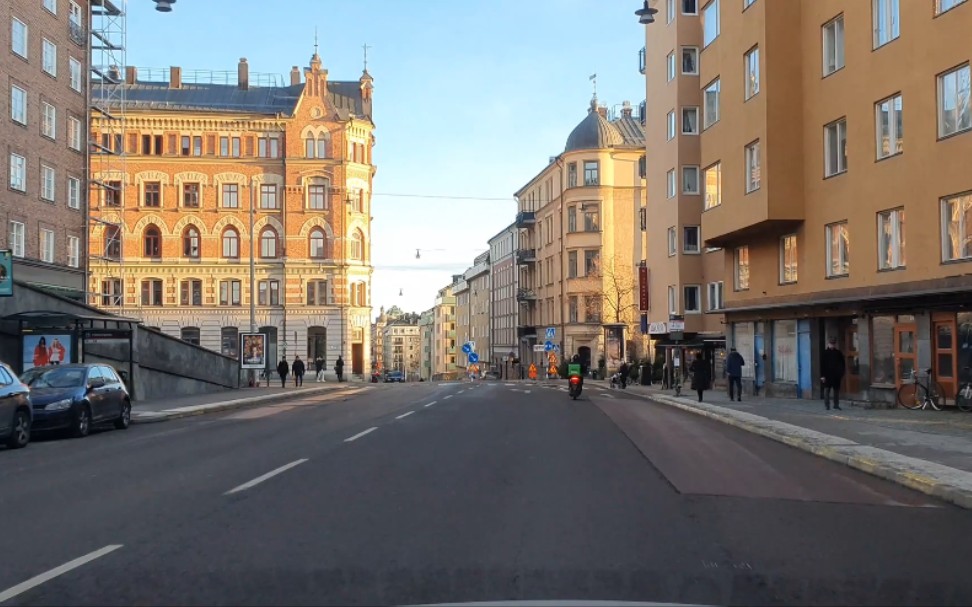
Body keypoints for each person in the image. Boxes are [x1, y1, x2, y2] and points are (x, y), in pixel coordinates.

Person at [821, 337, 846, 411]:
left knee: (836, 391)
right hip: (827, 375)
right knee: (826, 391)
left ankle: (836, 405)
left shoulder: (838, 353)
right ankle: (827, 405)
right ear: (828, 344)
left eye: (834, 344)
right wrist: (822, 376)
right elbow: (822, 365)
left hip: (836, 376)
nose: (832, 345)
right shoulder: (824, 353)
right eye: (831, 344)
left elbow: (842, 363)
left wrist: (841, 373)